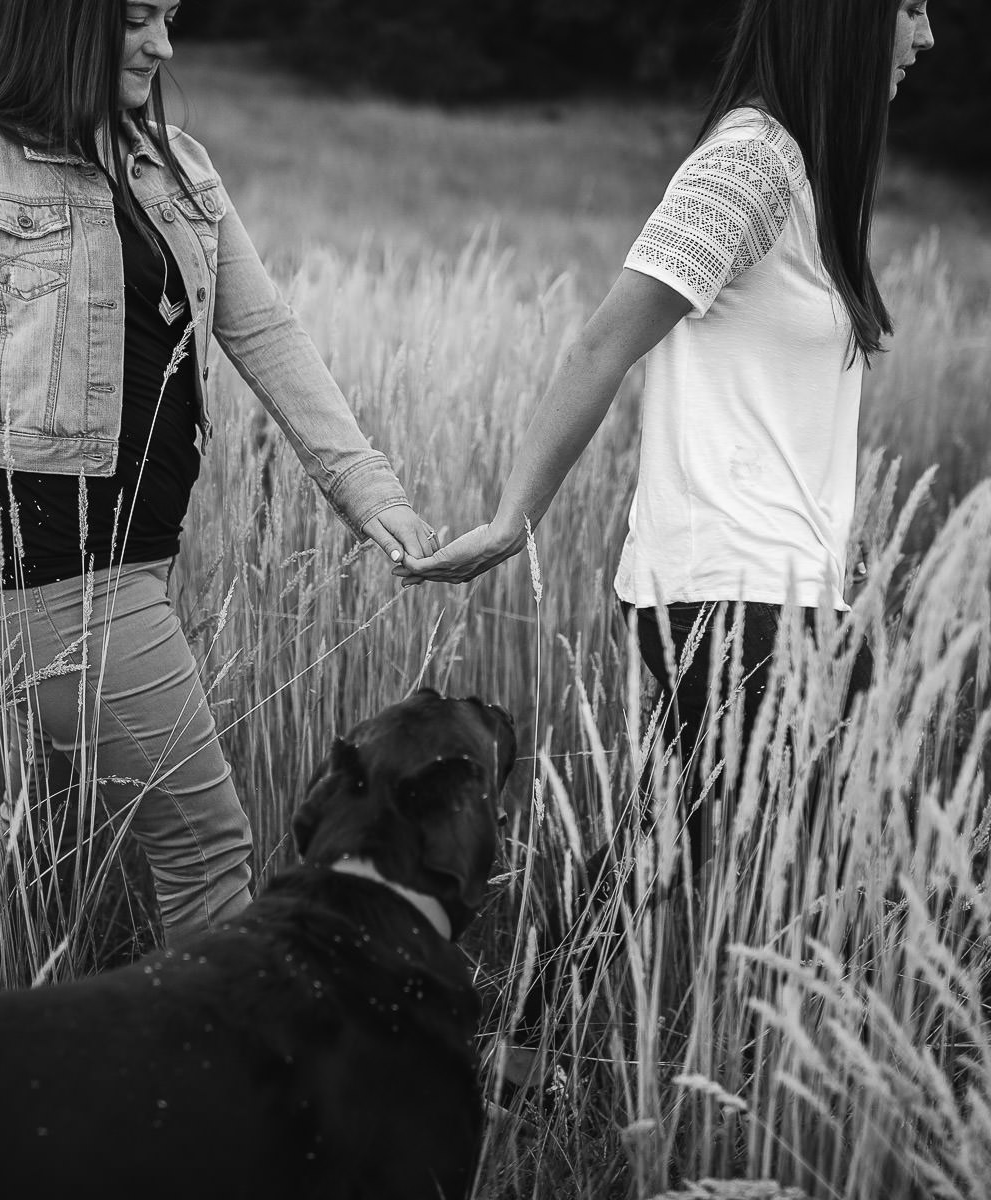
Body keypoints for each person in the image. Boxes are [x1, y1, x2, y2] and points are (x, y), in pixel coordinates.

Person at [399, 0, 936, 1092]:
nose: (924, 38)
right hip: (727, 589)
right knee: (758, 846)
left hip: (793, 587)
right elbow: (607, 337)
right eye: (910, 8)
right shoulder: (746, 163)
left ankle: (533, 1046)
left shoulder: (807, 178)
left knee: (674, 833)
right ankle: (781, 1089)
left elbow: (779, 411)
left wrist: (848, 555)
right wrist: (514, 516)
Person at [0, 0, 437, 944]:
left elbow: (265, 332)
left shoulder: (178, 166)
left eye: (170, 16)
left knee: (42, 869)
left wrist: (371, 494)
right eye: (137, 20)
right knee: (206, 848)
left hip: (146, 561)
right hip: (52, 575)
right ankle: (231, 1080)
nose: (163, 45)